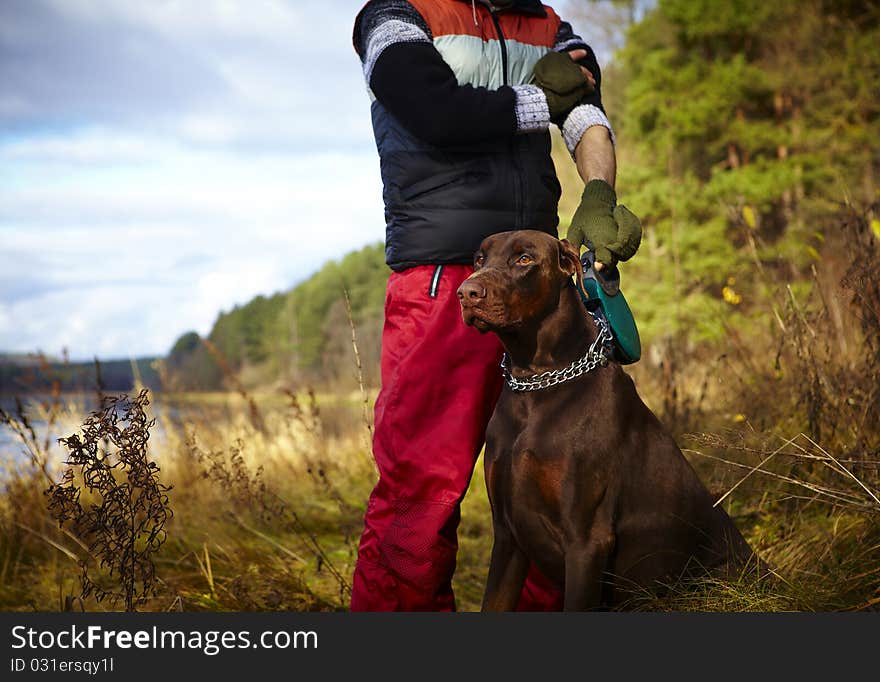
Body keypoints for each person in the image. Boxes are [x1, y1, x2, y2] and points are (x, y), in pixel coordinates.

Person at [350, 0, 642, 611]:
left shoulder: (549, 26)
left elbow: (587, 114)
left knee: (556, 485)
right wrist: (542, 102)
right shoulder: (396, 16)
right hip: (444, 278)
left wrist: (598, 192)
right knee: (422, 485)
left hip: (539, 287)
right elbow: (433, 113)